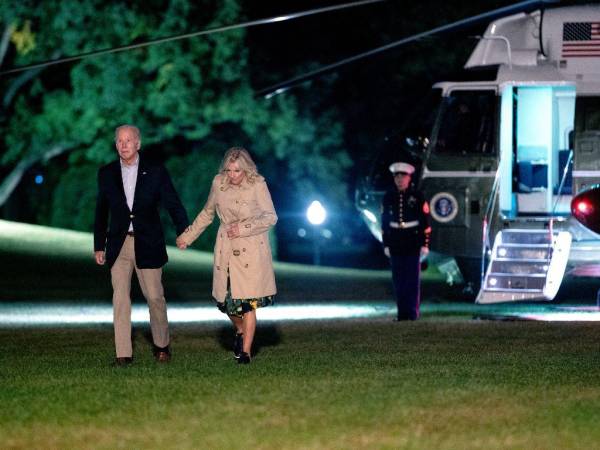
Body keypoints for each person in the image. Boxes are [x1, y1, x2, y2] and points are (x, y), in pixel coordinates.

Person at [94, 124, 189, 366]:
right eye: (119, 141)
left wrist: (184, 231)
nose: (124, 145)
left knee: (155, 297)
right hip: (118, 244)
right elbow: (101, 211)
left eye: (129, 140)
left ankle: (162, 345)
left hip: (148, 243)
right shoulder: (106, 173)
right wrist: (99, 245)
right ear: (116, 144)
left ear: (138, 144)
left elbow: (172, 203)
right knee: (120, 298)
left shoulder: (155, 171)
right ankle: (123, 354)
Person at [176, 147, 277, 364]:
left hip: (251, 250)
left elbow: (271, 217)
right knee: (225, 303)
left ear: (246, 170)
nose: (232, 175)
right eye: (229, 170)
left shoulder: (257, 184)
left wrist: (244, 227)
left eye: (237, 171)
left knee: (248, 303)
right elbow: (207, 213)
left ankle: (246, 352)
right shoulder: (218, 183)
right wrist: (188, 236)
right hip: (226, 248)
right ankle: (240, 330)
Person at [381, 161, 431, 321]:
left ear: (409, 178)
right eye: (397, 177)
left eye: (403, 177)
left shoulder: (417, 196)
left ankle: (412, 312)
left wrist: (425, 244)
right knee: (398, 279)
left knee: (411, 279)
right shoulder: (389, 197)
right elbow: (385, 222)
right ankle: (402, 313)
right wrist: (386, 244)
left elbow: (425, 223)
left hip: (412, 240)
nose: (400, 180)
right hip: (396, 240)